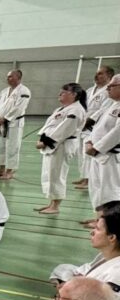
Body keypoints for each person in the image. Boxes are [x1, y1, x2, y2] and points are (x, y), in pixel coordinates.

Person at [48, 206, 120, 300]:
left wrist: (69, 294)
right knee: (62, 269)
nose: (92, 232)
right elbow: (88, 269)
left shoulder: (114, 276)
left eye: (97, 229)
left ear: (112, 237)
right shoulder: (109, 254)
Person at [35, 83, 87, 215]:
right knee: (49, 174)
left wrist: (45, 142)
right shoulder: (61, 109)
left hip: (62, 145)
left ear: (73, 95)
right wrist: (41, 138)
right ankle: (51, 203)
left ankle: (56, 206)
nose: (59, 94)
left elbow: (64, 130)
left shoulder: (76, 110)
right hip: (53, 145)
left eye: (63, 92)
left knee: (57, 175)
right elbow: (49, 125)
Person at [85, 73, 120, 213]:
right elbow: (98, 127)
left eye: (112, 85)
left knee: (110, 190)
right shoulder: (112, 105)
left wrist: (98, 147)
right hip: (98, 154)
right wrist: (89, 141)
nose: (108, 88)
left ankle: (109, 220)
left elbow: (118, 131)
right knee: (97, 187)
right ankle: (100, 217)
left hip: (110, 155)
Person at [75, 66, 114, 191]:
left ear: (109, 76)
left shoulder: (108, 91)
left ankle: (89, 180)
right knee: (80, 152)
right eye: (96, 73)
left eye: (100, 74)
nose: (97, 76)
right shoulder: (90, 90)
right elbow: (83, 107)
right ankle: (83, 176)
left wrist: (88, 122)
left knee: (87, 153)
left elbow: (103, 110)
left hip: (94, 126)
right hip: (83, 124)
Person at [0, 69, 32, 180]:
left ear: (18, 77)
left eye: (10, 76)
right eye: (7, 76)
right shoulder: (4, 91)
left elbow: (19, 108)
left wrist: (5, 118)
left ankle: (10, 171)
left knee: (12, 147)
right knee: (0, 147)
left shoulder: (24, 91)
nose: (8, 78)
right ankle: (1, 169)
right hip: (1, 123)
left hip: (14, 123)